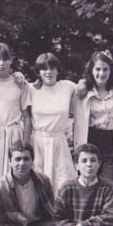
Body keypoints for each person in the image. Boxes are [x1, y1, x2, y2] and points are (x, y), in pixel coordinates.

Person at [73, 51, 113, 226]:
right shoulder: (82, 91)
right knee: (88, 192)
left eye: (105, 69)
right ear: (91, 71)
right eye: (97, 69)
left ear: (111, 71)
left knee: (110, 193)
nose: (101, 73)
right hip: (91, 143)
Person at [0, 42, 32, 184]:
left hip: (13, 136)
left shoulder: (20, 84)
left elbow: (27, 117)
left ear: (11, 60)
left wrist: (25, 145)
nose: (1, 63)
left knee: (12, 178)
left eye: (5, 59)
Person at [28, 52, 77, 193]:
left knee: (61, 184)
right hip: (37, 143)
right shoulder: (30, 89)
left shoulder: (67, 87)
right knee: (37, 185)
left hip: (59, 143)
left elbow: (86, 85)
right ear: (38, 72)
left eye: (52, 68)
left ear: (58, 70)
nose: (48, 72)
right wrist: (18, 74)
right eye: (44, 68)